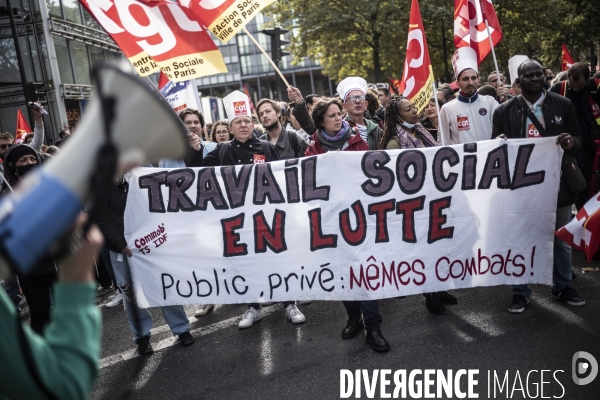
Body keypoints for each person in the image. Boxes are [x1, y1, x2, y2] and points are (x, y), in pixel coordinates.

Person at [189, 90, 306, 328]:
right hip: (236, 220)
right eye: (238, 122)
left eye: (247, 121)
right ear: (230, 128)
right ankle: (253, 308)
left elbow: (282, 179)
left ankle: (289, 304)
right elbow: (196, 173)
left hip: (266, 216)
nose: (244, 125)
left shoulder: (266, 147)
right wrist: (193, 149)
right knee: (245, 263)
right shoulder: (221, 151)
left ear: (252, 125)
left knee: (277, 259)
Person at [492, 59, 585, 313]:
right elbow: (495, 150)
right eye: (528, 76)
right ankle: (521, 292)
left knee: (561, 239)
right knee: (521, 238)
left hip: (559, 184)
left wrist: (570, 143)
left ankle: (562, 286)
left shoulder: (563, 105)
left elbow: (579, 139)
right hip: (520, 187)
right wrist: (499, 143)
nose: (535, 79)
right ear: (518, 82)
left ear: (544, 78)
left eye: (538, 75)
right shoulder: (503, 111)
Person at [0, 214, 103, 400]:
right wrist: (77, 279)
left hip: (47, 265)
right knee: (41, 314)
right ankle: (45, 354)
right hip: (32, 270)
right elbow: (64, 388)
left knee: (51, 312)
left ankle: (45, 353)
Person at [378, 96, 459, 314]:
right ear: (397, 116)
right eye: (408, 109)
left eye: (413, 107)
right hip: (416, 205)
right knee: (425, 250)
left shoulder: (420, 132)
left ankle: (440, 288)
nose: (415, 111)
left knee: (439, 245)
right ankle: (430, 294)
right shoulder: (395, 142)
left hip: (435, 199)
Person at [97, 176, 195, 355]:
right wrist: (120, 244)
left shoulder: (140, 175)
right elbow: (102, 218)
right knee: (131, 294)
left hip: (150, 244)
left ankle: (181, 329)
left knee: (164, 285)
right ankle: (142, 337)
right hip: (121, 249)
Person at [2, 144, 57, 334]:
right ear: (12, 166)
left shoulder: (49, 186)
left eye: (32, 159)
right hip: (31, 266)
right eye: (23, 161)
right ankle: (41, 356)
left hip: (58, 258)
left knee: (67, 310)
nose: (29, 163)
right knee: (40, 313)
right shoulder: (8, 196)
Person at [550, 62, 600, 209]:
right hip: (569, 148)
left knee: (592, 186)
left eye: (580, 85)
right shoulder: (559, 89)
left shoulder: (596, 88)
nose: (576, 88)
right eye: (573, 85)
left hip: (593, 148)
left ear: (588, 79)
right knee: (574, 185)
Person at [438, 47, 499, 145]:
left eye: (473, 78)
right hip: (463, 159)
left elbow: (504, 126)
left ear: (478, 80)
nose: (470, 82)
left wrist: (504, 98)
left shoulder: (490, 102)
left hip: (490, 157)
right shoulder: (447, 109)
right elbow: (443, 143)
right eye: (465, 79)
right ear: (457, 83)